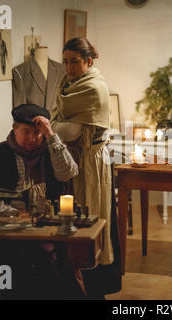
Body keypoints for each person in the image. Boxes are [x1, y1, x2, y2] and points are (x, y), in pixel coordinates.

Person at [0, 103, 82, 298]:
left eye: (37, 133)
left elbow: (69, 172)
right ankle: (8, 294)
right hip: (7, 231)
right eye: (26, 132)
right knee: (11, 264)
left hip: (46, 231)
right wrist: (14, 214)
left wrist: (51, 136)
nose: (32, 138)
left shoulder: (51, 151)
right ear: (14, 128)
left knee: (45, 258)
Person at [51, 37, 121, 298]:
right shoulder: (67, 85)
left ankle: (93, 282)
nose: (68, 67)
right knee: (73, 217)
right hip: (72, 161)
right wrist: (56, 127)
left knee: (91, 214)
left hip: (91, 162)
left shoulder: (94, 87)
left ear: (89, 61)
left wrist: (51, 129)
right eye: (66, 61)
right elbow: (61, 122)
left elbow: (70, 130)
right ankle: (73, 279)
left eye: (75, 61)